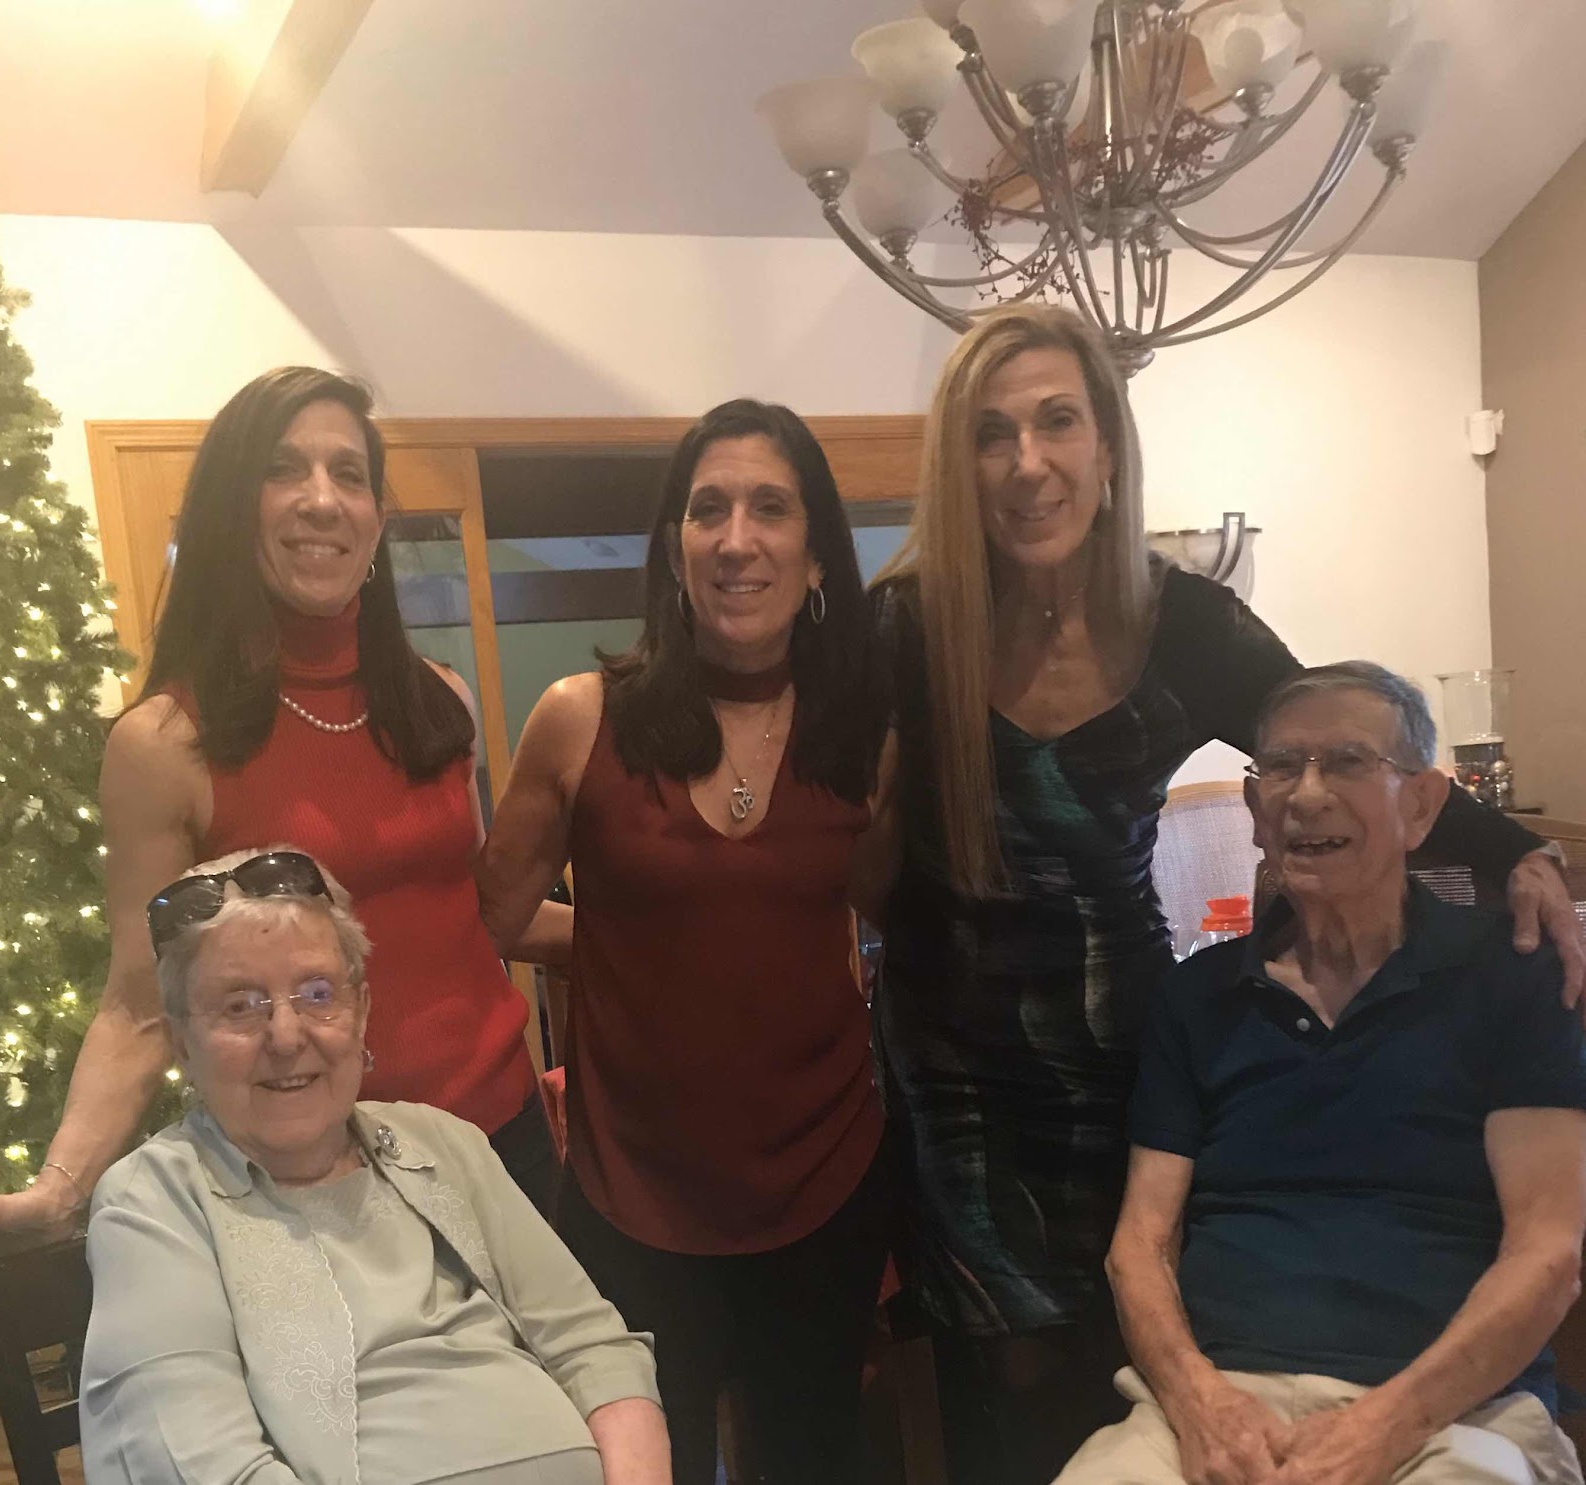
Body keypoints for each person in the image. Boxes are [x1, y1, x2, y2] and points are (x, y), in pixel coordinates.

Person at [869, 304, 1585, 1485]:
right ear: (961, 463)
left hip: (1119, 1038)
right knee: (1002, 1381)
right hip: (956, 1068)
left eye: (1058, 423)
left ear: (1108, 447)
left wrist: (1528, 856)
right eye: (992, 434)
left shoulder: (1181, 622)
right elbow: (811, 797)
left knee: (1135, 1335)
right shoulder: (906, 625)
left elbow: (1339, 749)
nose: (1027, 462)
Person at [0, 367, 566, 1237]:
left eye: (349, 474)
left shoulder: (440, 699)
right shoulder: (165, 743)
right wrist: (60, 1189)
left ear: (375, 520)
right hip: (320, 1182)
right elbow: (139, 1004)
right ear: (233, 507)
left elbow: (471, 914)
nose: (321, 499)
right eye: (284, 468)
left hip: (505, 1144)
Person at [475, 398, 898, 1485]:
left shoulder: (867, 733)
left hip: (826, 1193)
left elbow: (891, 917)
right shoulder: (579, 718)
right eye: (708, 509)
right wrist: (623, 937)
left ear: (816, 555)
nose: (736, 538)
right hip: (633, 1207)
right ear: (674, 548)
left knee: (815, 1466)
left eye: (770, 508)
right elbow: (495, 918)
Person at [1062, 662, 1586, 1485]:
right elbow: (1141, 1245)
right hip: (1218, 1405)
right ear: (1255, 808)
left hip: (1455, 1413)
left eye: (1347, 762)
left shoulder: (1511, 975)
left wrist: (1383, 1426)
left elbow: (1548, 1253)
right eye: (1281, 766)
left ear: (1422, 805)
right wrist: (1201, 1403)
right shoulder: (1197, 996)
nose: (1306, 795)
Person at [80, 846, 670, 1485]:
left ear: (361, 1010)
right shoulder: (155, 1200)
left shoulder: (444, 1143)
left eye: (317, 994)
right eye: (240, 1006)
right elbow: (199, 1467)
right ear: (181, 1043)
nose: (286, 1036)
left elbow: (596, 1352)